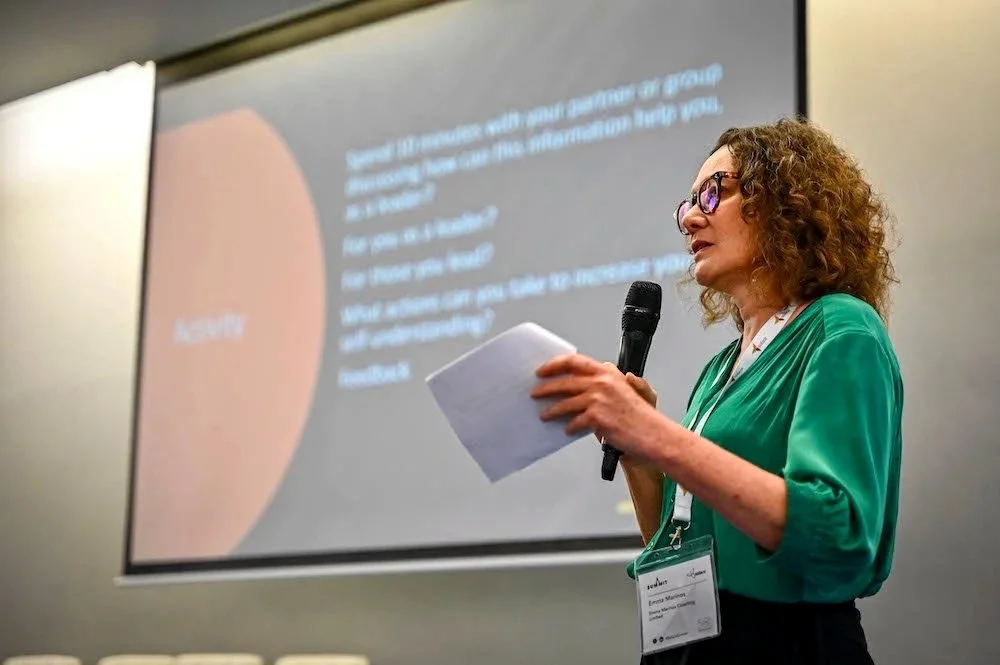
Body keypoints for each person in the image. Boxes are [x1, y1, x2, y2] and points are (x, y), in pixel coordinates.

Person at [531, 117, 903, 664]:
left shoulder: (840, 329)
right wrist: (637, 453)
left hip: (788, 643)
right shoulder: (721, 369)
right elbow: (679, 536)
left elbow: (837, 536)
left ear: (784, 201)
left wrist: (656, 434)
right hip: (695, 639)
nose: (689, 217)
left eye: (713, 192)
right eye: (686, 203)